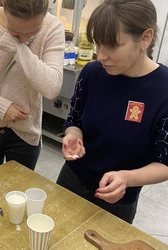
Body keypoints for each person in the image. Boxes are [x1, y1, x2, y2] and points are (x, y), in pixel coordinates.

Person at [57, 0, 168, 224]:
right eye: (97, 44)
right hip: (71, 178)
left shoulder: (163, 89)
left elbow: (165, 162)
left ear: (145, 38)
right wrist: (73, 136)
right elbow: (74, 119)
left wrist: (127, 178)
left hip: (116, 199)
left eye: (112, 45)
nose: (100, 56)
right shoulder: (92, 73)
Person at [0, 0, 65, 172]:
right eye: (14, 31)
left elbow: (51, 88)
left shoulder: (52, 27)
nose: (23, 38)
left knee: (18, 194)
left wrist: (14, 45)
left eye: (32, 32)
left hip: (26, 133)